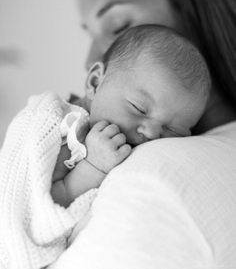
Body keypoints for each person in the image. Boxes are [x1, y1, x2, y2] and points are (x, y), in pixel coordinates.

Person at [48, 0, 236, 269]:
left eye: (118, 26)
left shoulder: (151, 176)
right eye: (88, 32)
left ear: (195, 6)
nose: (90, 60)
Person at [51, 24, 210, 207]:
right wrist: (93, 166)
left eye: (172, 129)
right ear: (95, 83)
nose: (151, 133)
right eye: (139, 108)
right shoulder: (63, 130)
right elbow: (45, 205)